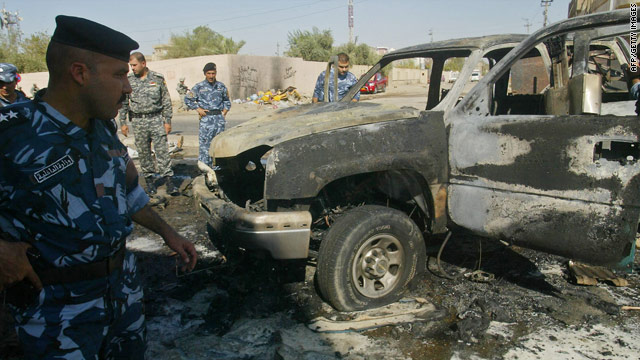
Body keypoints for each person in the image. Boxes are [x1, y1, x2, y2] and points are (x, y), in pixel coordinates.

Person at [0, 15, 198, 359]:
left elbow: (130, 193)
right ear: (80, 73)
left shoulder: (101, 127)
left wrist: (168, 232)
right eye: (119, 75)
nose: (128, 87)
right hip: (56, 315)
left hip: (123, 296)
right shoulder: (12, 133)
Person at [119, 52, 179, 196]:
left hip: (156, 119)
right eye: (130, 65)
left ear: (143, 63)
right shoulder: (129, 80)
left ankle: (169, 183)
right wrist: (123, 123)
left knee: (162, 151)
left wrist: (167, 121)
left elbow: (165, 100)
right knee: (144, 152)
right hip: (138, 121)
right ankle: (150, 183)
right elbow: (124, 103)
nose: (132, 68)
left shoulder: (157, 78)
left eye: (134, 65)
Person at [185, 62, 231, 169]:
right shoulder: (199, 87)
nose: (211, 76)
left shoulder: (221, 86)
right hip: (206, 119)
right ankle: (205, 169)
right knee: (205, 146)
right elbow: (187, 99)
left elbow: (227, 101)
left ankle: (218, 170)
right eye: (209, 73)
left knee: (219, 145)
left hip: (219, 119)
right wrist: (197, 109)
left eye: (213, 73)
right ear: (205, 74)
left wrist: (224, 113)